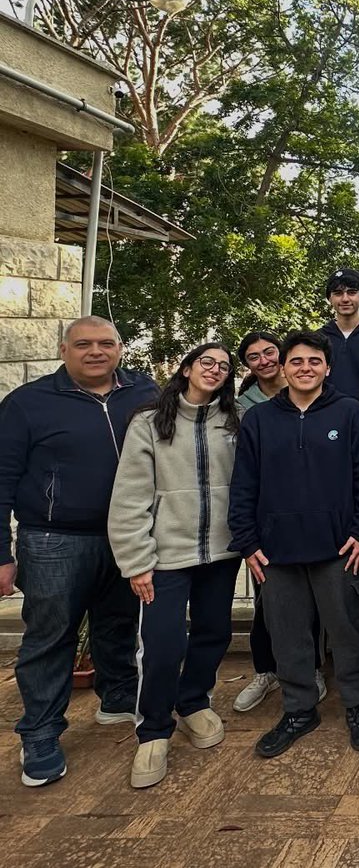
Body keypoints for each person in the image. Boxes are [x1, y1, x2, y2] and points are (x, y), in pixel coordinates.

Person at [0, 315, 157, 787]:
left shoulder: (145, 394)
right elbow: (2, 479)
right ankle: (41, 734)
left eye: (105, 343)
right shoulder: (28, 404)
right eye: (83, 344)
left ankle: (117, 699)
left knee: (119, 623)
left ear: (121, 348)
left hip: (127, 535)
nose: (95, 352)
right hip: (54, 538)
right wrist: (1, 553)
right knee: (50, 636)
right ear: (64, 350)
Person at [228, 330, 359, 758]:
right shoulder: (260, 421)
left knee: (349, 631)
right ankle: (299, 709)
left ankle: (358, 705)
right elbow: (243, 485)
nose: (305, 368)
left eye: (314, 361)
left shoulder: (350, 413)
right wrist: (247, 542)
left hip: (339, 548)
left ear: (327, 368)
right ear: (284, 367)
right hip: (275, 552)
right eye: (296, 361)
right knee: (288, 635)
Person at [107, 342, 242, 789]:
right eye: (207, 362)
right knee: (162, 644)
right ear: (186, 368)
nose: (215, 371)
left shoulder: (232, 420)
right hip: (165, 557)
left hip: (220, 554)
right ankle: (153, 730)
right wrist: (137, 562)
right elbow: (129, 497)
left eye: (223, 367)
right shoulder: (150, 423)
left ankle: (194, 702)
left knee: (213, 633)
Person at [233, 328, 322, 713]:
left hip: (317, 520)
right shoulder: (246, 406)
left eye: (269, 352)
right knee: (270, 607)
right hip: (269, 523)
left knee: (317, 603)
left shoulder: (319, 398)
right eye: (254, 357)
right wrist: (247, 536)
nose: (264, 360)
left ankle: (311, 670)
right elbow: (246, 471)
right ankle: (268, 671)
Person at [319, 268, 359, 398]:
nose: (345, 299)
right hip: (328, 414)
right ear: (330, 298)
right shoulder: (317, 339)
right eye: (338, 293)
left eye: (352, 292)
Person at [236, 331, 287, 411]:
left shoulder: (305, 389)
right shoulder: (242, 406)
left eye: (269, 353)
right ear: (246, 364)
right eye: (254, 357)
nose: (264, 362)